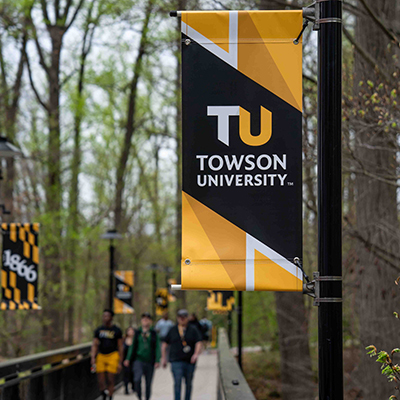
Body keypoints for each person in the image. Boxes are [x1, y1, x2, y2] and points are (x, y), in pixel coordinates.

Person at [161, 309, 203, 400]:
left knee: (188, 383)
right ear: (177, 318)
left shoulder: (193, 329)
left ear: (187, 318)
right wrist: (163, 358)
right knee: (177, 382)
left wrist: (196, 354)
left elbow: (199, 342)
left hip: (189, 361)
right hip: (176, 360)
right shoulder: (173, 329)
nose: (182, 319)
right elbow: (164, 344)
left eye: (184, 317)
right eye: (180, 317)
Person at [126, 313, 160, 400]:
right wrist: (128, 359)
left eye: (147, 319)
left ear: (150, 321)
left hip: (150, 361)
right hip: (138, 360)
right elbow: (132, 346)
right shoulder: (137, 333)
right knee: (137, 379)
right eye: (144, 319)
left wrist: (157, 360)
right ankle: (139, 396)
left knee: (148, 383)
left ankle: (147, 397)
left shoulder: (153, 333)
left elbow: (157, 347)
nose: (145, 320)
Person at [91, 309, 123, 400]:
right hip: (101, 355)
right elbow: (95, 344)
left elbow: (120, 346)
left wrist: (120, 361)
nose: (105, 318)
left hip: (113, 355)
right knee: (100, 380)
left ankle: (110, 396)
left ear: (111, 318)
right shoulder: (99, 330)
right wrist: (93, 357)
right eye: (104, 316)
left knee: (110, 378)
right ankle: (103, 393)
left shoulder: (116, 330)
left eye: (107, 316)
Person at [122, 326, 135, 395]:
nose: (130, 332)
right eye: (129, 331)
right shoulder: (123, 340)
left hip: (134, 360)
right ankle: (126, 388)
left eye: (132, 331)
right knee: (126, 374)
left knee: (133, 374)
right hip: (125, 360)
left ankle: (133, 387)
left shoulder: (136, 340)